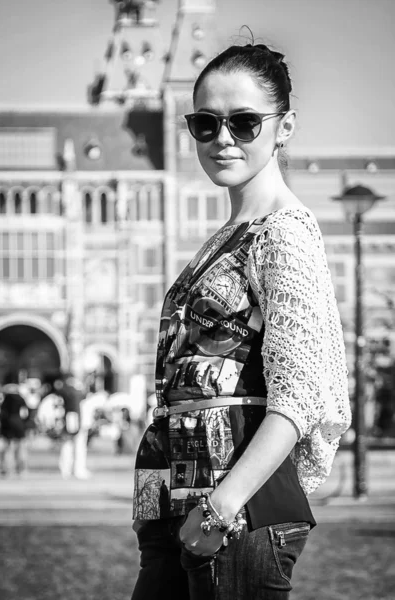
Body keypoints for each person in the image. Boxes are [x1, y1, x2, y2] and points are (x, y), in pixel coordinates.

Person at [131, 41, 351, 600]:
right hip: (183, 501)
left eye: (245, 122)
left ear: (284, 127)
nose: (222, 138)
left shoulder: (284, 234)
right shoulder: (226, 236)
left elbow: (299, 395)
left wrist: (222, 507)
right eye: (205, 123)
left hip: (234, 514)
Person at [0, 375, 30, 476]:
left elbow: (1, 414)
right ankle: (21, 469)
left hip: (7, 424)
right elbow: (25, 413)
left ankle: (7, 469)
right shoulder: (21, 398)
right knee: (21, 446)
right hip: (19, 424)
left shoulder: (4, 399)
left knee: (8, 447)